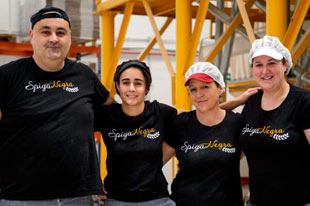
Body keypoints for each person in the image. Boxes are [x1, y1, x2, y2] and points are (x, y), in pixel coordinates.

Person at [0, 7, 113, 205]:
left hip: (78, 197)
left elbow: (117, 117)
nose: (54, 38)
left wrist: (167, 115)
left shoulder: (84, 75)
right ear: (32, 35)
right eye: (46, 32)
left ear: (69, 37)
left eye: (60, 32)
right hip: (23, 198)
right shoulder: (8, 76)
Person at [222, 35, 310, 206]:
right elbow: (206, 115)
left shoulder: (303, 101)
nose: (265, 71)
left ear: (285, 64)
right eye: (259, 65)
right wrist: (236, 102)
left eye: (271, 63)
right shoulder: (252, 103)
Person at [95, 59, 177, 206]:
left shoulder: (161, 112)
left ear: (147, 88)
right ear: (118, 86)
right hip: (116, 200)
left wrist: (231, 104)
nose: (131, 88)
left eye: (138, 83)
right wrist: (91, 184)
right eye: (126, 82)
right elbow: (76, 137)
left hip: (157, 199)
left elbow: (196, 118)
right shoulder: (107, 116)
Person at [162, 62, 244, 206]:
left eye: (205, 87)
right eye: (193, 89)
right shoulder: (180, 124)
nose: (199, 94)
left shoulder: (237, 124)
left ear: (219, 88)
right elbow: (152, 164)